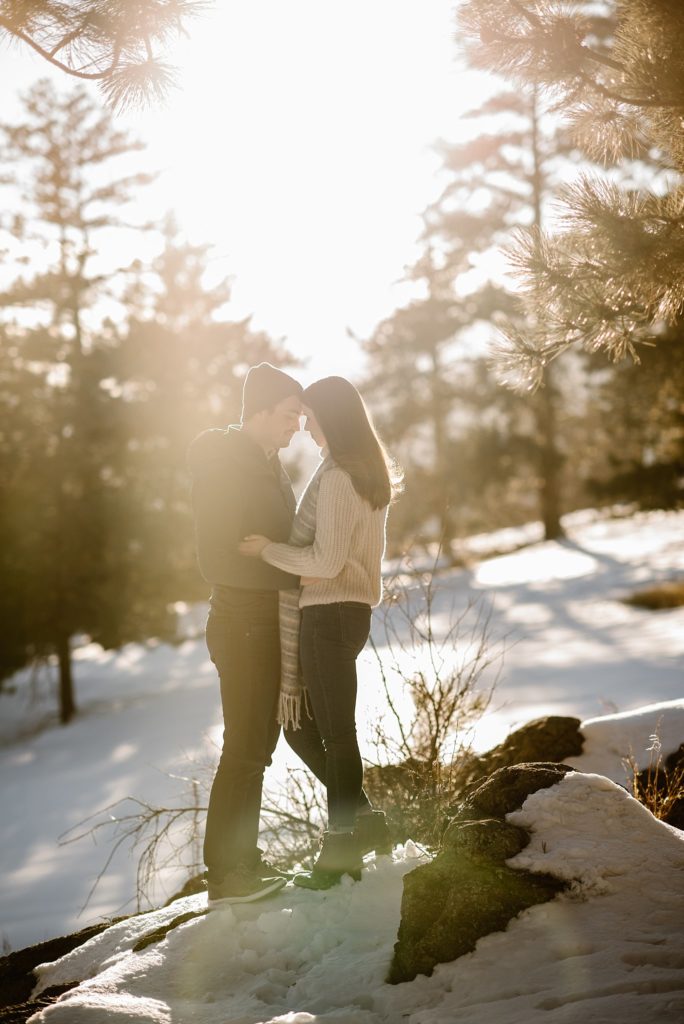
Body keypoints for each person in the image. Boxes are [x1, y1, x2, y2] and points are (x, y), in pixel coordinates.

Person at [239, 376, 400, 889]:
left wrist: (267, 549)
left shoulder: (337, 479)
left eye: (310, 416)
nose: (304, 426)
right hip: (346, 615)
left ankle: (339, 855)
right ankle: (367, 824)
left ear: (332, 417)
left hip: (328, 615)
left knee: (334, 734)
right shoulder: (364, 473)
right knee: (305, 729)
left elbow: (325, 561)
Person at [188, 362, 303, 906]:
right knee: (244, 748)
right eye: (287, 415)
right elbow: (215, 560)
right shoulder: (224, 466)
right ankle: (226, 877)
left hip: (268, 621)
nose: (296, 426)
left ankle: (243, 862)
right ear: (258, 412)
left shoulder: (270, 463)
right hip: (241, 626)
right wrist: (290, 569)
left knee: (259, 745)